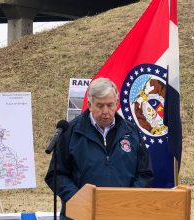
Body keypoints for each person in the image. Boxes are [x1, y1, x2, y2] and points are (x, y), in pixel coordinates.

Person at [45, 78, 154, 219]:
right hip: (80, 214)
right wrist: (78, 199)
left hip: (122, 213)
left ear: (117, 103)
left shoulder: (132, 132)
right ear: (90, 105)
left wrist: (130, 199)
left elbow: (145, 173)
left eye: (110, 105)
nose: (105, 111)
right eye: (100, 105)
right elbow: (56, 174)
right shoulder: (70, 132)